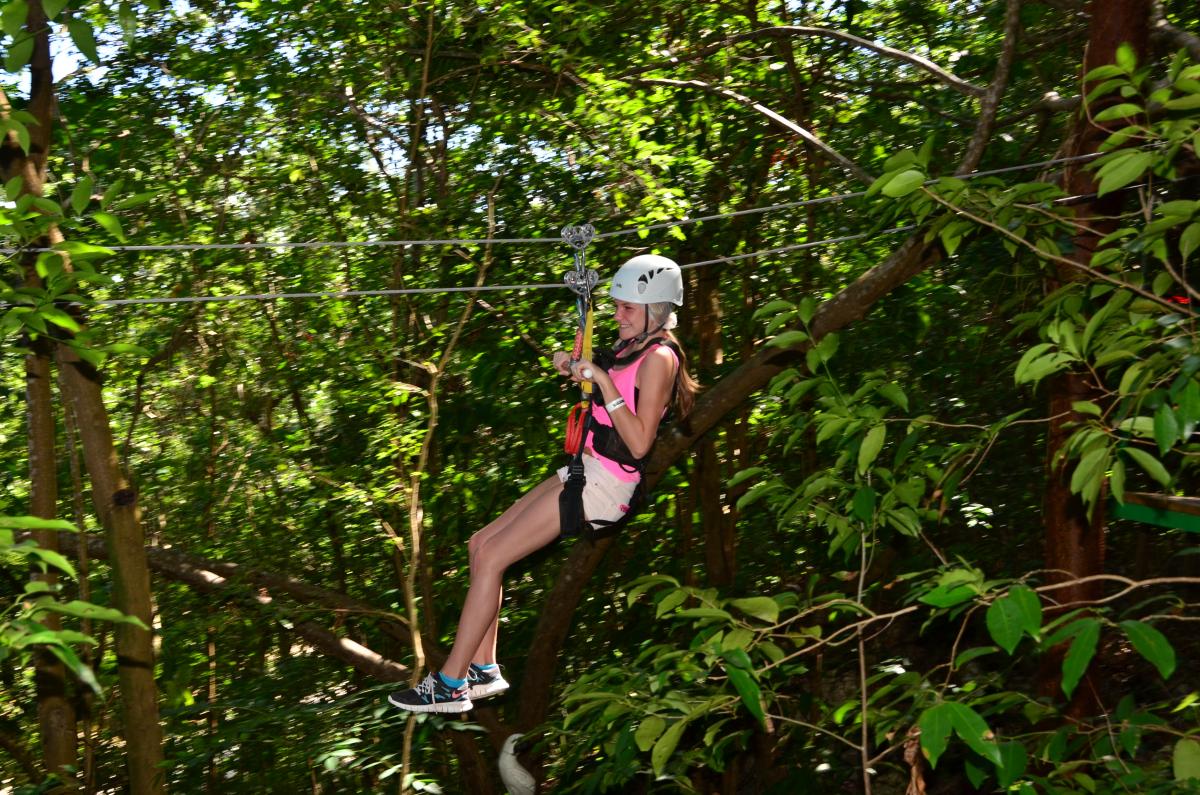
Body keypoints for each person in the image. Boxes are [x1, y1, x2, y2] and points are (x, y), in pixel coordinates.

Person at [388, 254, 698, 713]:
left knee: (493, 557)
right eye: (616, 306)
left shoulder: (660, 359)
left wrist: (604, 383)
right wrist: (574, 367)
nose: (618, 315)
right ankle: (483, 669)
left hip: (608, 485)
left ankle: (450, 684)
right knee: (480, 545)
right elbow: (600, 387)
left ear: (656, 309)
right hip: (586, 468)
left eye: (627, 308)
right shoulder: (631, 345)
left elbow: (637, 443)